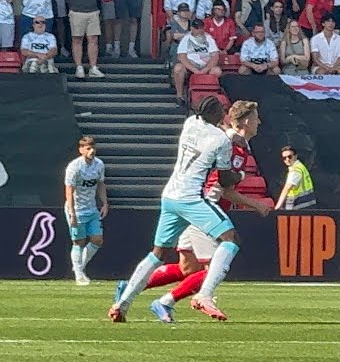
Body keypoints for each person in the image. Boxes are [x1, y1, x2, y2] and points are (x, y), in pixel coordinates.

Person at [109, 96, 247, 323]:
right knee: (231, 239)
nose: (224, 115)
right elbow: (224, 179)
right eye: (221, 111)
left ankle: (122, 304)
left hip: (170, 196)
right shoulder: (221, 140)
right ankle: (205, 295)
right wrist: (241, 174)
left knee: (158, 254)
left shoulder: (190, 123)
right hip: (191, 198)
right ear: (214, 114)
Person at [141, 101, 270, 323]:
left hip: (193, 205)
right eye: (257, 118)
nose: (260, 122)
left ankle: (132, 288)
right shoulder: (233, 146)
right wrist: (255, 204)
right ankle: (177, 300)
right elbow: (224, 189)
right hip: (205, 210)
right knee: (216, 265)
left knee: (187, 267)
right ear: (247, 121)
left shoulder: (233, 142)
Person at [64, 135, 108, 286]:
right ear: (81, 150)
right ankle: (79, 274)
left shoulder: (99, 165)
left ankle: (79, 269)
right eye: (88, 148)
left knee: (97, 240)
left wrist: (105, 203)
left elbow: (101, 184)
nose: (92, 151)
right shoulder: (74, 167)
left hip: (92, 209)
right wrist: (72, 213)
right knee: (78, 242)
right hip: (77, 209)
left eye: (93, 148)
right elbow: (69, 191)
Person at [67, 0, 109, 79]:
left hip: (92, 10)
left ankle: (93, 67)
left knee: (93, 39)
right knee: (77, 39)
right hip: (77, 10)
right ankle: (79, 67)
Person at [172, 19, 221, 104]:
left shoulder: (208, 38)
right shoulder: (186, 38)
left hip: (205, 64)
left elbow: (215, 56)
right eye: (197, 28)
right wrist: (194, 70)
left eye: (200, 28)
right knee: (178, 68)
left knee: (217, 71)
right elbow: (182, 56)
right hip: (191, 64)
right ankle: (180, 96)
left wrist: (205, 69)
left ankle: (211, 97)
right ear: (192, 28)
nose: (199, 30)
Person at [275, 145, 316, 210]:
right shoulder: (300, 167)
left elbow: (287, 188)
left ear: (296, 156)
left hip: (300, 207)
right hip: (306, 206)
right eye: (284, 158)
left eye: (289, 156)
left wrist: (278, 206)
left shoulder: (296, 170)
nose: (287, 159)